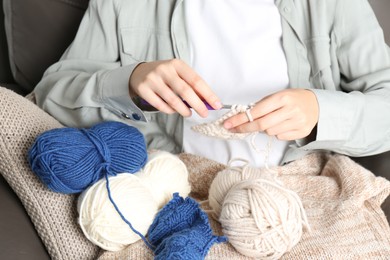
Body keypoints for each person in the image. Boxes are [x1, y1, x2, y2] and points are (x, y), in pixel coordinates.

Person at [33, 0, 390, 168]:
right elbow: (48, 97)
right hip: (171, 187)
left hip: (298, 189)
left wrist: (319, 112)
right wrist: (129, 82)